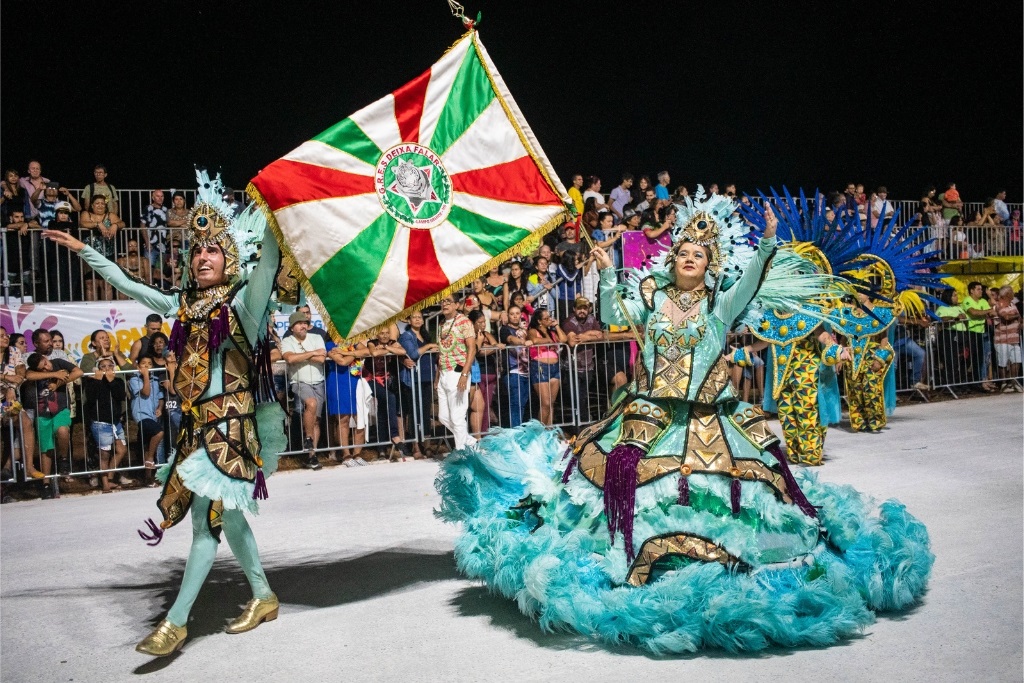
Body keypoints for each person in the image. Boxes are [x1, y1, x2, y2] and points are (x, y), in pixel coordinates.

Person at [435, 188, 932, 654]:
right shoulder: (650, 299)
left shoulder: (719, 305)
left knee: (727, 494)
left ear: (710, 264)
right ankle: (629, 562)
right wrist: (608, 273)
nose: (688, 256)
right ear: (672, 260)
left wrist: (767, 246)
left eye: (699, 252)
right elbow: (612, 313)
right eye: (683, 250)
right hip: (650, 413)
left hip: (711, 421)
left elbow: (752, 284)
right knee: (622, 482)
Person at [44, 171, 284, 656]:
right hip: (198, 431)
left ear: (230, 256)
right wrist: (81, 248)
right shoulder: (180, 305)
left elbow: (271, 260)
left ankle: (175, 625)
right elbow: (127, 283)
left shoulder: (246, 302)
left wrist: (280, 207)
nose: (202, 258)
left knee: (204, 524)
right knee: (230, 520)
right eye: (196, 251)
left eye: (212, 249)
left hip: (230, 431)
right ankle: (263, 595)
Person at [23, 351, 82, 485]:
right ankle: (46, 482)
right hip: (42, 412)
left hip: (60, 408)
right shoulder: (36, 372)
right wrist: (54, 374)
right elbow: (28, 375)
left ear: (46, 358)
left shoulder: (58, 362)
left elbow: (78, 372)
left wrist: (58, 384)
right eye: (42, 368)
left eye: (46, 363)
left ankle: (64, 458)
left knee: (62, 430)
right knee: (46, 449)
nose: (47, 367)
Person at [280, 310, 327, 469]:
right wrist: (312, 352)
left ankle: (312, 456)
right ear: (292, 327)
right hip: (300, 381)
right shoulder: (287, 341)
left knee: (316, 420)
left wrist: (302, 354)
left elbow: (322, 359)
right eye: (299, 324)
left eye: (305, 323)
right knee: (311, 404)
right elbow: (290, 358)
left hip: (318, 381)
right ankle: (308, 438)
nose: (303, 326)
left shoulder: (317, 337)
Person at [436, 294, 477, 451]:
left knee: (457, 417)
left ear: (457, 305)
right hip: (444, 373)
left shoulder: (464, 322)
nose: (444, 304)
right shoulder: (441, 324)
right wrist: (437, 377)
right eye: (443, 301)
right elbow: (441, 353)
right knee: (444, 417)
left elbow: (471, 349)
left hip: (458, 372)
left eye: (448, 301)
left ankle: (461, 453)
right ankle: (470, 441)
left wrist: (465, 374)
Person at [0, 326, 40, 479]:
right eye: (2, 335)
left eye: (6, 335)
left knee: (26, 423)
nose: (5, 338)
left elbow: (21, 371)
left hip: (7, 399)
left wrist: (12, 387)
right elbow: (11, 376)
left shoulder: (13, 351)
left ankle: (29, 467)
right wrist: (6, 377)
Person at [85, 356, 128, 492]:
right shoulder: (92, 381)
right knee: (104, 454)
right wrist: (98, 380)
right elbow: (91, 398)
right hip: (100, 422)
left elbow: (121, 395)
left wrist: (112, 381)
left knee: (121, 450)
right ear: (98, 369)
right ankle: (104, 484)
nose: (106, 369)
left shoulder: (118, 381)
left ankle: (109, 478)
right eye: (103, 366)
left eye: (109, 366)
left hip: (116, 422)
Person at [397, 312, 436, 459]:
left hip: (427, 377)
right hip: (413, 378)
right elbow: (412, 354)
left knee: (426, 412)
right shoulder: (407, 336)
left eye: (420, 317)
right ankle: (415, 446)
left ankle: (427, 445)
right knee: (414, 412)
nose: (418, 319)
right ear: (409, 320)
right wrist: (429, 346)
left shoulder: (425, 335)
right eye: (414, 317)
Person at [79, 195, 125, 300]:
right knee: (90, 283)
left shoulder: (110, 215)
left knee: (107, 283)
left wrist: (115, 226)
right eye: (97, 203)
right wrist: (98, 224)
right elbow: (82, 223)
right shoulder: (86, 214)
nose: (100, 206)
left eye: (102, 203)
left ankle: (107, 309)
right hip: (89, 255)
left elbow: (122, 223)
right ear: (92, 205)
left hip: (107, 254)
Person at [498, 304, 532, 427]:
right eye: (512, 314)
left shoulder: (525, 330)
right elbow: (511, 339)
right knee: (515, 404)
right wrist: (523, 342)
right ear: (508, 316)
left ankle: (519, 429)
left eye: (517, 313)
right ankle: (515, 432)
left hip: (526, 371)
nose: (515, 316)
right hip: (513, 371)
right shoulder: (505, 329)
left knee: (522, 404)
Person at [961, 281, 996, 392]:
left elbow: (993, 313)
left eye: (981, 289)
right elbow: (973, 312)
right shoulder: (967, 300)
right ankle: (965, 382)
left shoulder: (983, 301)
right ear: (972, 290)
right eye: (978, 289)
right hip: (970, 332)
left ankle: (978, 382)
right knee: (968, 359)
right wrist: (988, 311)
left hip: (981, 332)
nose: (981, 291)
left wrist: (989, 308)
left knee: (979, 359)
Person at [992, 285, 1022, 391]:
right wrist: (1016, 316)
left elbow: (1019, 319)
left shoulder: (1013, 304)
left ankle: (1014, 382)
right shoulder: (999, 304)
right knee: (1003, 362)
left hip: (1014, 338)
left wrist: (1020, 321)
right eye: (1011, 291)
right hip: (1002, 339)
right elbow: (1006, 317)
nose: (1013, 293)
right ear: (1007, 294)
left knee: (1017, 361)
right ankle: (1004, 383)